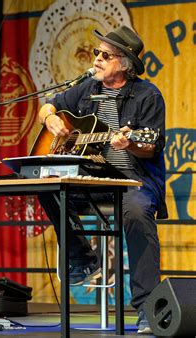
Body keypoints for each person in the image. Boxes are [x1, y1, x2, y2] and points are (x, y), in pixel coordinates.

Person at [37, 26, 166, 335]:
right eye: (97, 52)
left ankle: (148, 307)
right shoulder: (86, 88)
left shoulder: (148, 95)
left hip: (133, 179)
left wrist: (131, 143)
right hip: (91, 177)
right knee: (46, 184)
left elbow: (150, 148)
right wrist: (50, 118)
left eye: (105, 55)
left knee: (136, 212)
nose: (97, 59)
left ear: (125, 63)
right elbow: (47, 105)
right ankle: (82, 257)